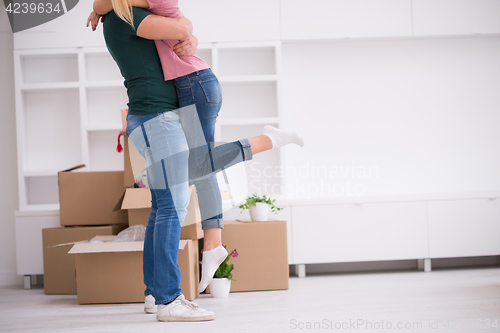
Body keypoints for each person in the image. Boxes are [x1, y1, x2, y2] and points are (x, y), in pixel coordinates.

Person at [87, 4, 304, 323]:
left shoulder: (124, 14)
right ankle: (169, 299)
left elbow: (179, 33)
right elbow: (180, 26)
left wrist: (190, 38)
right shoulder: (126, 15)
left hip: (158, 117)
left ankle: (155, 294)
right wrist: (187, 32)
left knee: (164, 207)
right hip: (156, 117)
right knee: (173, 206)